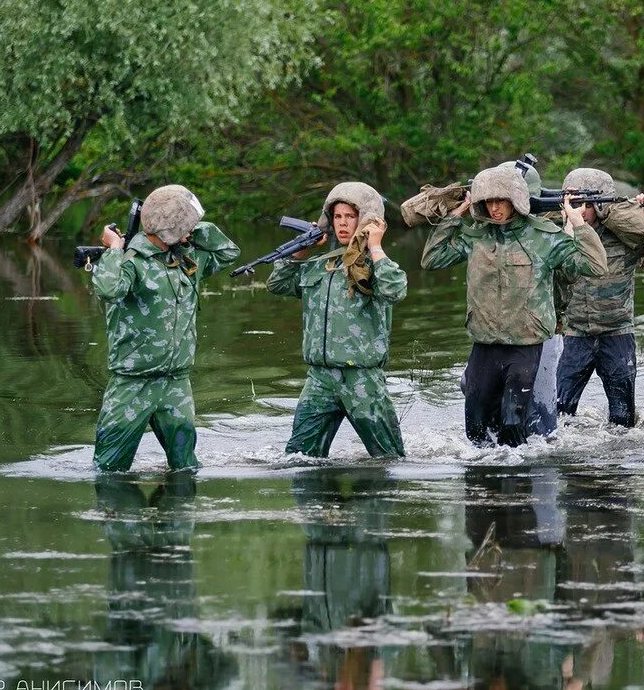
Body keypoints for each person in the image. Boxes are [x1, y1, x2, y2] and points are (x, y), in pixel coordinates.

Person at [421, 164, 607, 447]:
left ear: (516, 201)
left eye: (501, 201)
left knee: (512, 424)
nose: (495, 208)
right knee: (476, 430)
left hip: (524, 345)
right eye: (489, 201)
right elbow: (432, 260)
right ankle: (484, 487)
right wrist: (455, 215)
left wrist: (577, 222)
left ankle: (517, 486)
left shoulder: (543, 237)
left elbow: (595, 266)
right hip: (484, 344)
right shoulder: (475, 237)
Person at [91, 185, 240, 472]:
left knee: (185, 468)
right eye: (183, 226)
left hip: (176, 383)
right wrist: (115, 248)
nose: (189, 232)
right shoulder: (130, 262)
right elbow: (108, 289)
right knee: (109, 470)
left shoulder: (186, 260)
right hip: (132, 383)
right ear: (168, 229)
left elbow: (229, 252)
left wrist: (190, 224)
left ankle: (179, 515)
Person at [267, 182, 407, 459]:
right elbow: (277, 285)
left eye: (350, 217)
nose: (342, 224)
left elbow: (395, 290)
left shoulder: (374, 264)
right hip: (319, 379)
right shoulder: (320, 265)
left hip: (362, 380)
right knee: (298, 460)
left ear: (365, 220)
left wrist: (376, 247)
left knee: (388, 461)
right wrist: (301, 252)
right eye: (337, 217)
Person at [554, 167, 644, 427]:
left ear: (600, 205)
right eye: (572, 204)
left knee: (623, 421)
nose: (578, 211)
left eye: (584, 205)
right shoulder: (560, 235)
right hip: (576, 335)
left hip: (617, 335)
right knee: (558, 415)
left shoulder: (625, 236)